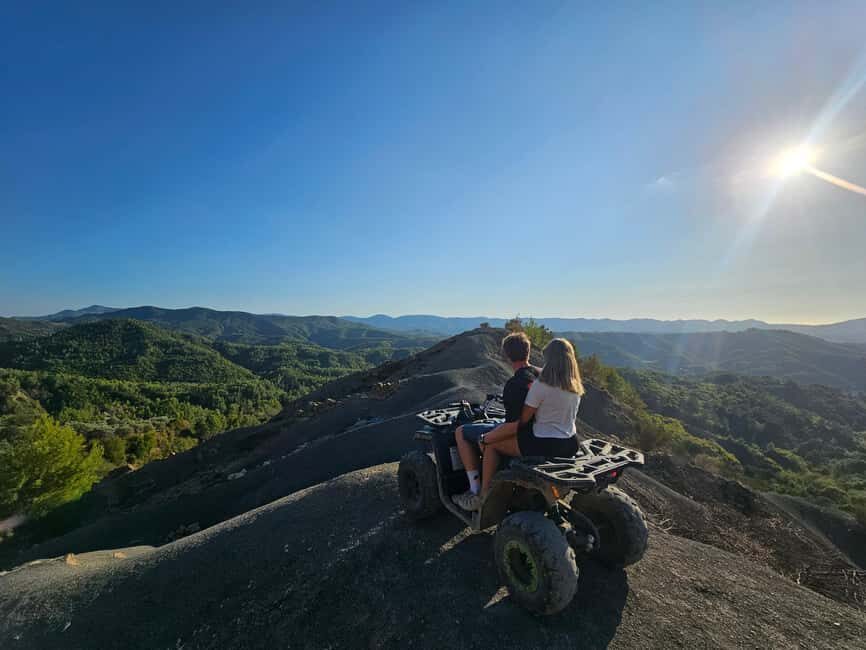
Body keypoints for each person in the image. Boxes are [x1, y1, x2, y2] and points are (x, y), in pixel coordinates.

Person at [477, 338, 585, 501]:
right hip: (570, 443)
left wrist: (486, 438)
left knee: (491, 445)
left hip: (544, 443)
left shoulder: (541, 386)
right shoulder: (575, 385)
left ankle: (483, 495)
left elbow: (522, 421)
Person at [451, 332, 539, 511]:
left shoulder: (515, 384)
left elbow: (513, 426)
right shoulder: (541, 374)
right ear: (528, 351)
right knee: (495, 422)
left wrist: (487, 438)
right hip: (542, 430)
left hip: (524, 436)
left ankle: (475, 491)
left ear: (507, 356)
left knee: (461, 432)